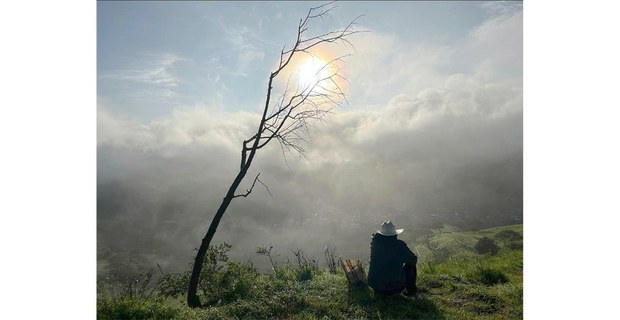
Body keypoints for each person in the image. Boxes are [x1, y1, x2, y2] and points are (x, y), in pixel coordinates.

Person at [367, 220, 418, 296]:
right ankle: (411, 290)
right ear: (394, 234)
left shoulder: (375, 244)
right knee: (411, 266)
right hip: (394, 287)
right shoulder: (399, 246)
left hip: (375, 285)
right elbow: (413, 259)